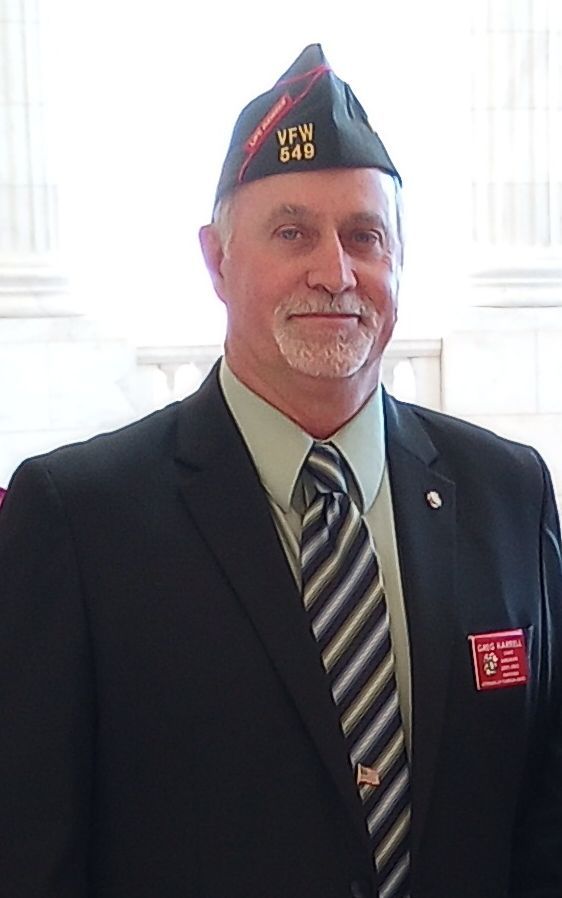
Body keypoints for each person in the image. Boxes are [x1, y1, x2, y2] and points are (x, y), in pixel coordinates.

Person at [0, 43, 561, 898]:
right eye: (292, 232)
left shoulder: (509, 496)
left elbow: (543, 821)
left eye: (364, 237)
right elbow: (34, 855)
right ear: (217, 261)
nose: (334, 272)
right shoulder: (78, 522)